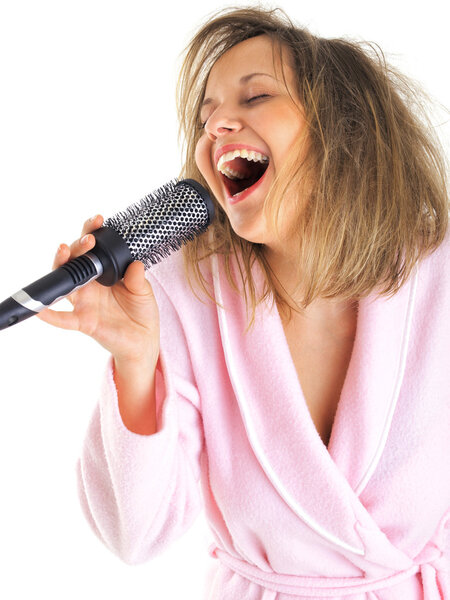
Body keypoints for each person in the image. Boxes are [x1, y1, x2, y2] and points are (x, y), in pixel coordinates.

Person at [38, 6, 450, 599]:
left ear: (344, 128)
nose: (217, 128)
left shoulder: (437, 278)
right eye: (207, 118)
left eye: (254, 98)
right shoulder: (180, 295)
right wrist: (134, 361)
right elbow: (136, 536)